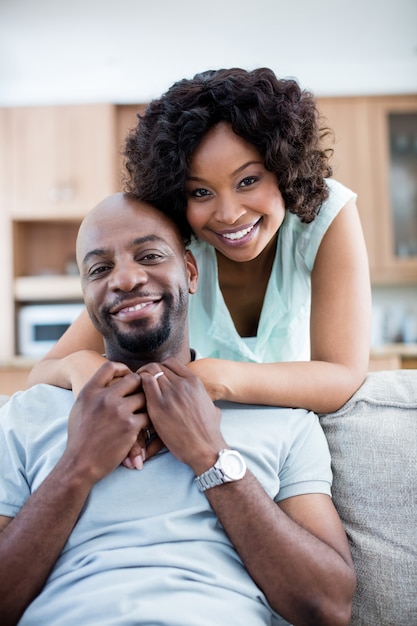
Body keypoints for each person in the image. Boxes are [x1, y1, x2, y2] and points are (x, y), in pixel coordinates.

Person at [0, 193, 356, 626]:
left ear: (190, 271)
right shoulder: (27, 415)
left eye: (149, 255)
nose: (126, 279)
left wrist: (210, 455)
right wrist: (78, 465)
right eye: (100, 268)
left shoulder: (284, 420)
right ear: (86, 295)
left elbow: (329, 608)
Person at [27, 67, 371, 414]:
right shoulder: (168, 249)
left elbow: (343, 375)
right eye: (201, 191)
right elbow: (39, 376)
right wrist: (78, 365)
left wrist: (215, 377)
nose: (228, 213)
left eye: (248, 180)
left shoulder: (327, 217)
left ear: (283, 169)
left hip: (287, 434)